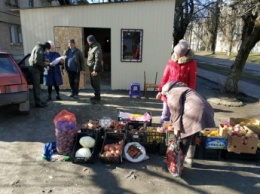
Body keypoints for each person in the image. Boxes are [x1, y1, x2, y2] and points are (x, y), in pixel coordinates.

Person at [160, 81, 216, 167]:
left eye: (165, 96)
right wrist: (172, 123)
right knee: (192, 133)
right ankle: (190, 160)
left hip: (194, 112)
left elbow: (176, 111)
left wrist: (176, 129)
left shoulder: (172, 93)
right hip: (206, 109)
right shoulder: (184, 89)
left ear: (166, 92)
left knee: (185, 135)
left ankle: (178, 163)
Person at [156, 39, 197, 124]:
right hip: (168, 92)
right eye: (175, 53)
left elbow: (192, 80)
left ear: (183, 54)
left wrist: (190, 94)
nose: (176, 55)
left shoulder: (191, 63)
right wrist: (160, 90)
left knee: (178, 115)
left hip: (181, 94)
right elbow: (165, 76)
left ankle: (176, 132)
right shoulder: (171, 61)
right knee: (165, 114)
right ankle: (162, 131)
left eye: (178, 54)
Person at [29, 41, 51, 108]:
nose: (47, 51)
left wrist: (44, 60)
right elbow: (37, 61)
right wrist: (45, 65)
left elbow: (37, 58)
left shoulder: (37, 47)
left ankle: (39, 101)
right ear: (46, 47)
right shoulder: (40, 49)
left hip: (35, 69)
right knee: (37, 87)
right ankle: (38, 103)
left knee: (37, 86)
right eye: (47, 49)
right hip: (35, 69)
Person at [86, 35, 103, 102]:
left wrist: (95, 70)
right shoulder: (92, 47)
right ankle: (96, 96)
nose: (88, 43)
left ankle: (97, 98)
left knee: (96, 83)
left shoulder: (96, 48)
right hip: (92, 69)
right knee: (93, 83)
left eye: (88, 41)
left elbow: (98, 60)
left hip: (95, 70)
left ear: (90, 41)